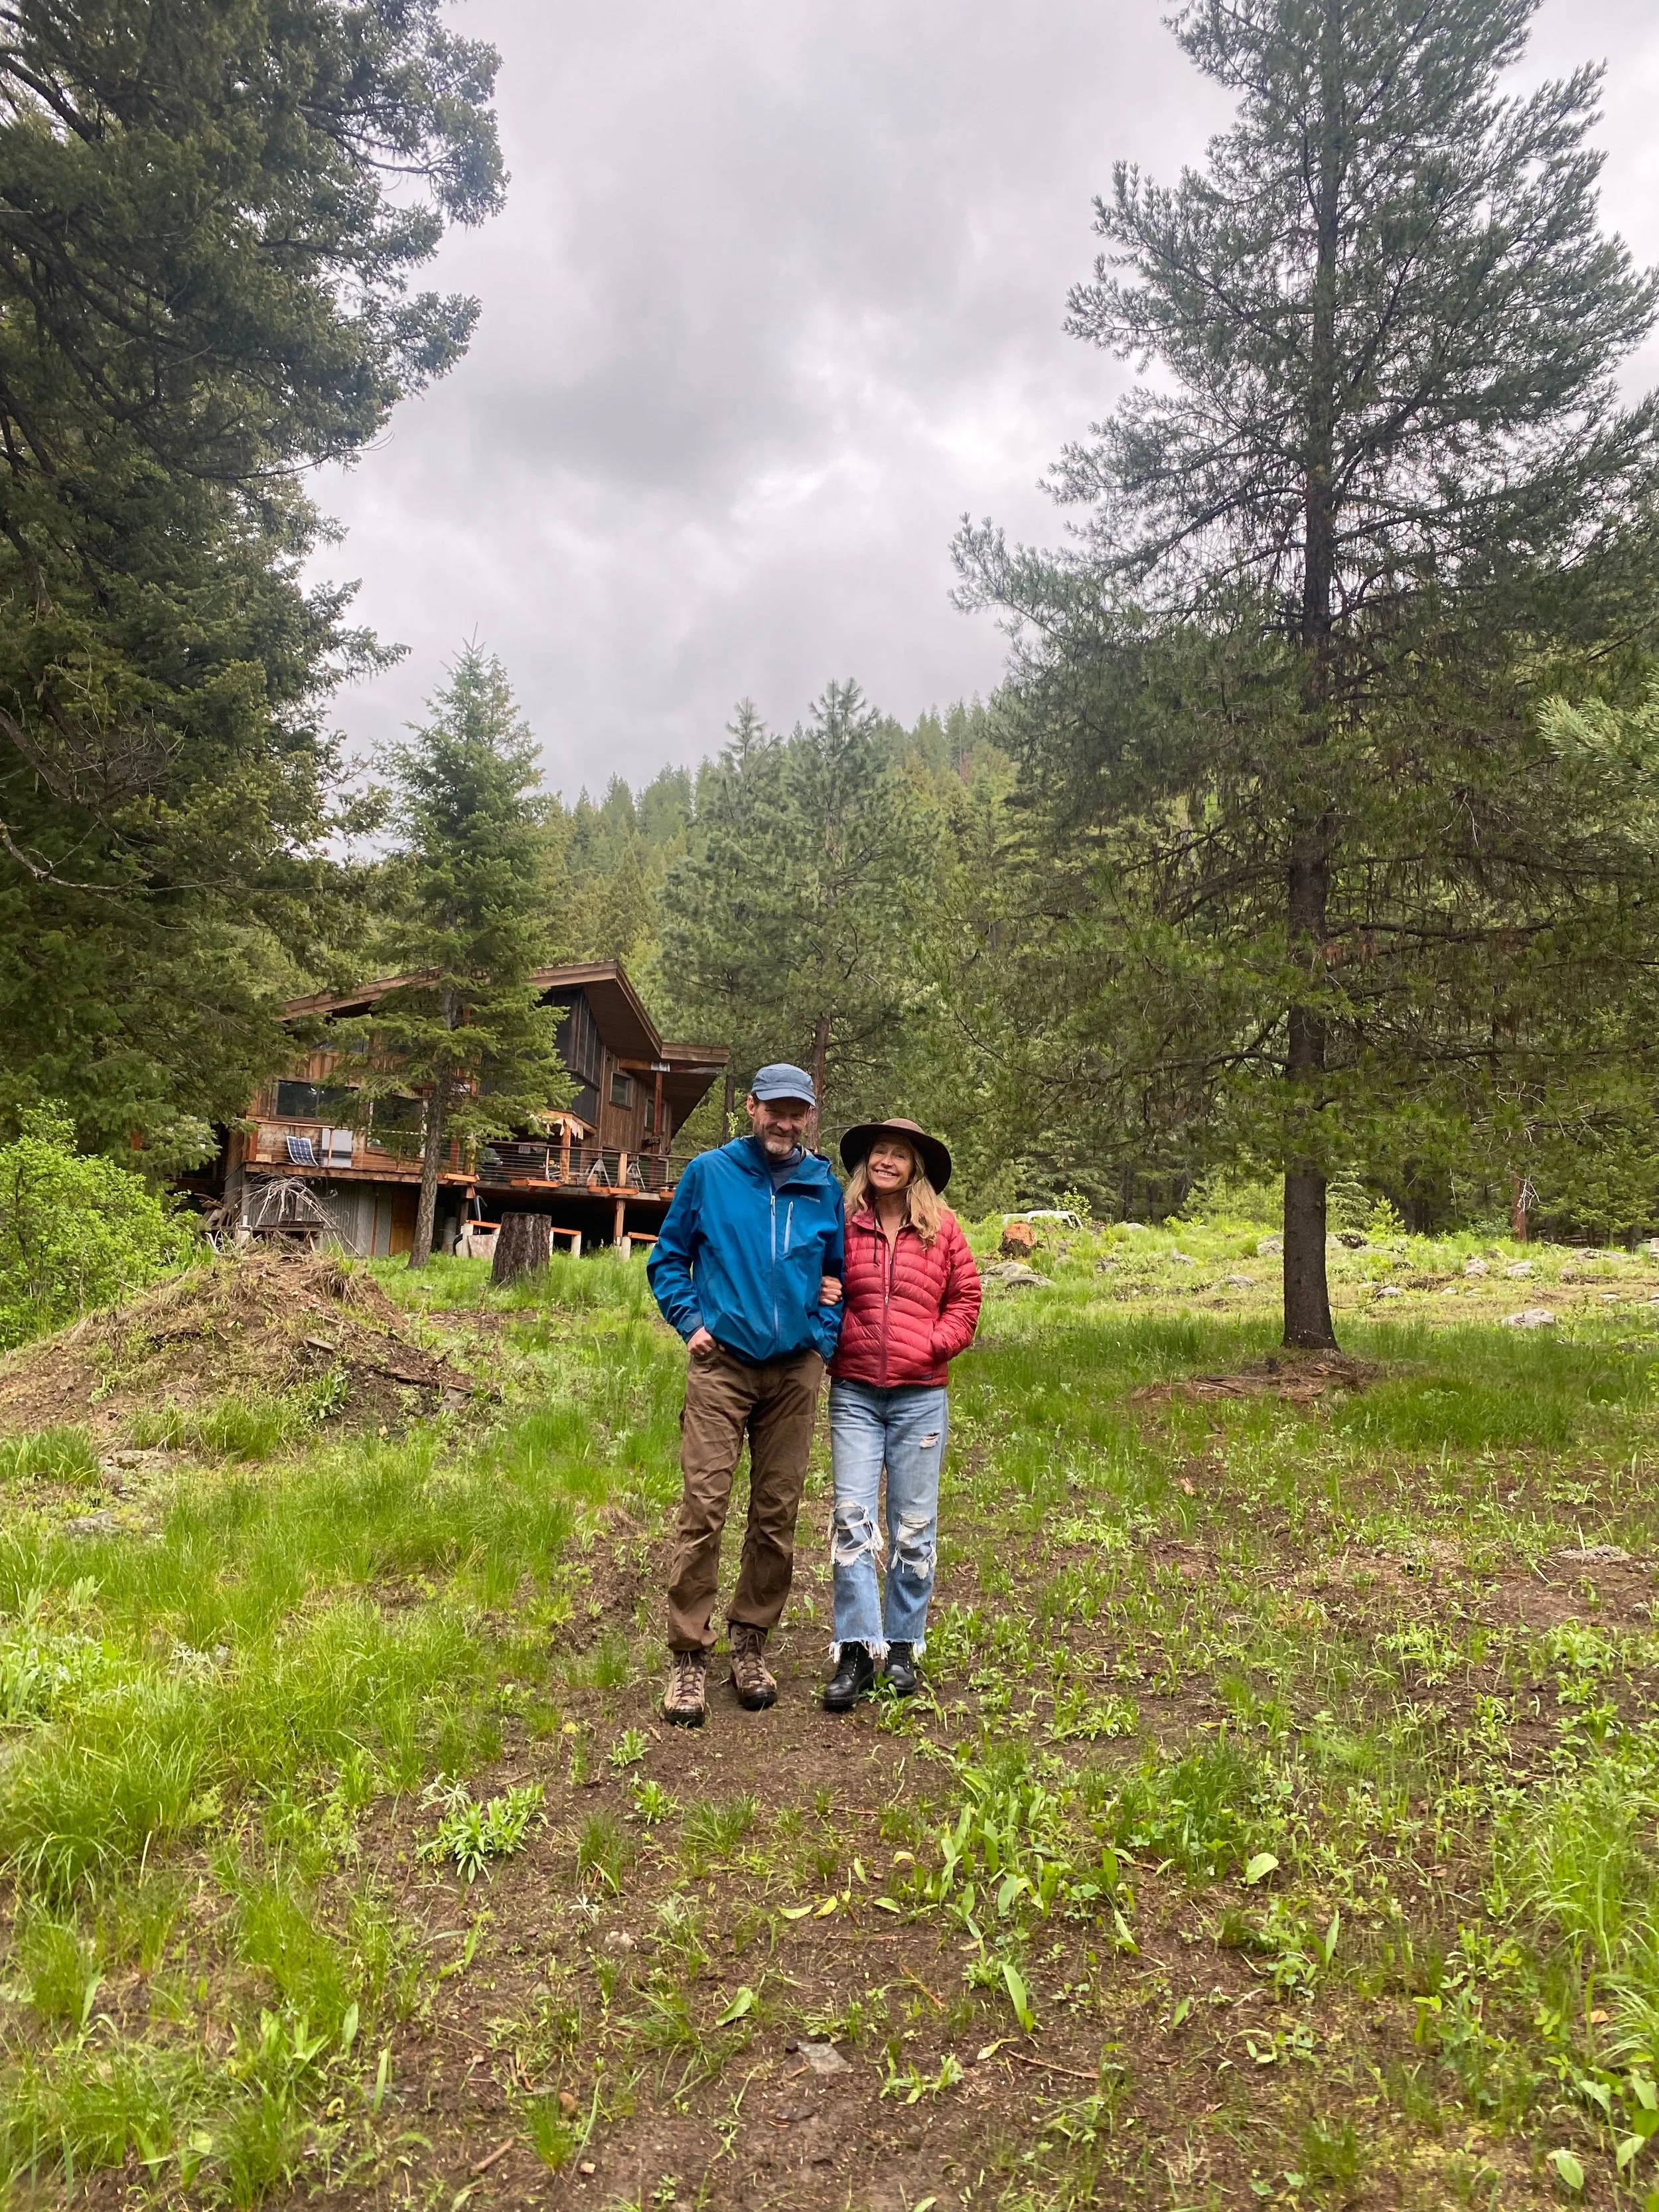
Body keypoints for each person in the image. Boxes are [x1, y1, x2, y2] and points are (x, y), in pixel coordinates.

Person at [646, 1065, 845, 1728]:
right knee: (703, 1506)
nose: (785, 1123)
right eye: (775, 1110)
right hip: (723, 1365)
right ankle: (688, 1654)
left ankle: (750, 1644)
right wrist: (690, 1322)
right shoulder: (710, 1172)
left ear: (810, 1117)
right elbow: (668, 1257)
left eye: (798, 1113)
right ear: (752, 1108)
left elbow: (838, 1275)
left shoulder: (823, 1186)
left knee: (776, 1512)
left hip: (793, 1372)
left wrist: (820, 1336)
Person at [822, 1116, 981, 1711]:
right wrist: (825, 1311)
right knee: (852, 1521)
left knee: (914, 1529)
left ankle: (904, 1645)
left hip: (921, 1396)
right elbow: (820, 1280)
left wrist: (934, 1344)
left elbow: (967, 1298)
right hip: (856, 1392)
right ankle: (858, 1650)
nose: (886, 1160)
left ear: (916, 1167)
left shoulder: (943, 1229)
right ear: (867, 1163)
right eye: (878, 1152)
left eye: (899, 1153)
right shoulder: (844, 1222)